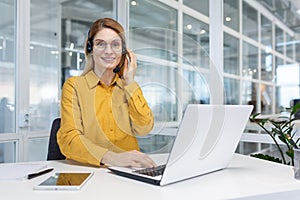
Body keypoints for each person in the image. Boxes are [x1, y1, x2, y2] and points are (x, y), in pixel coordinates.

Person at [57, 18, 156, 168]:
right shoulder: (74, 86)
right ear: (90, 49)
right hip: (91, 173)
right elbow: (69, 139)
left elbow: (144, 128)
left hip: (129, 172)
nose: (108, 51)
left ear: (123, 52)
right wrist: (111, 158)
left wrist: (130, 83)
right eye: (100, 44)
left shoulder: (128, 87)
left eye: (115, 44)